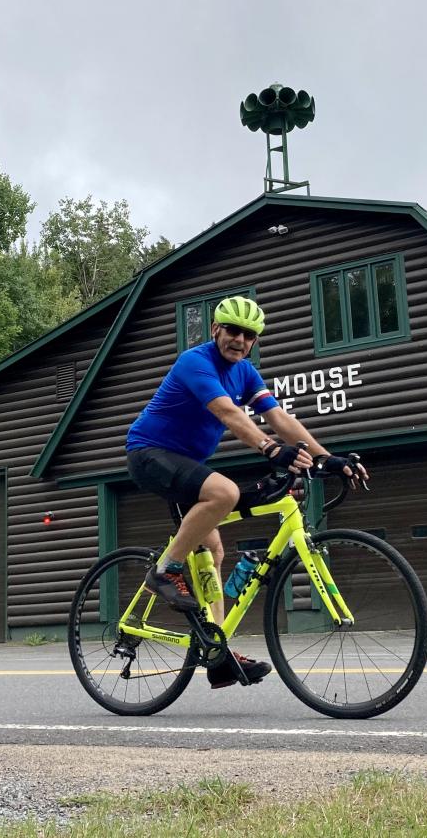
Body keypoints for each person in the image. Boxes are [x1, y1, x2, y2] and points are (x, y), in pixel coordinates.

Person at [125, 295, 368, 688]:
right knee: (223, 493)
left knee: (213, 551)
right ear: (216, 330)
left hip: (188, 466)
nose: (240, 339)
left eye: (249, 335)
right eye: (233, 331)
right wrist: (270, 449)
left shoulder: (246, 373)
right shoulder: (195, 362)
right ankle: (164, 571)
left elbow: (278, 418)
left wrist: (327, 458)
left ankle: (214, 652)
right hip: (149, 453)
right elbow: (228, 413)